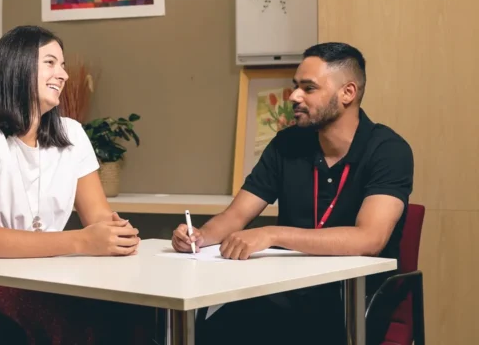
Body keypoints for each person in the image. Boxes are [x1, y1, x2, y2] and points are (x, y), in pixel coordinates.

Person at [172, 42, 413, 345]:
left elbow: (370, 239)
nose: (294, 96)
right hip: (287, 293)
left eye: (308, 88)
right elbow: (236, 215)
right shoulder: (287, 144)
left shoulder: (388, 151)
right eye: (295, 86)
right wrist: (200, 236)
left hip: (352, 302)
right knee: (209, 333)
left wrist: (272, 234)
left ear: (347, 93)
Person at [0, 25, 155, 344]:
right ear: (17, 67)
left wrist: (119, 234)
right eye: (50, 63)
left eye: (63, 65)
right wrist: (80, 241)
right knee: (77, 317)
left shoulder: (73, 134)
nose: (62, 74)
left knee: (131, 311)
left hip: (43, 276)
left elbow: (99, 218)